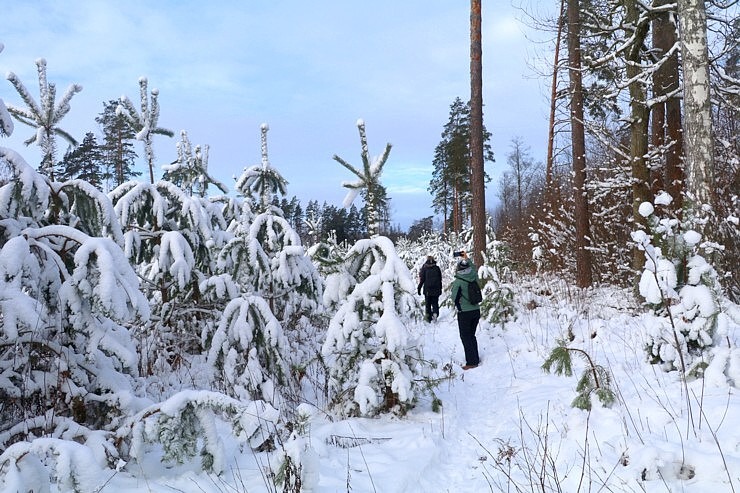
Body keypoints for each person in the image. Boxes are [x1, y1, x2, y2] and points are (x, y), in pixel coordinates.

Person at [451, 252, 481, 370]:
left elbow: (454, 297)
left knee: (465, 336)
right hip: (476, 310)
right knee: (471, 335)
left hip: (465, 313)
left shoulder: (458, 281)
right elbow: (473, 268)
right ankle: (475, 358)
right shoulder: (473, 276)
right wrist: (467, 259)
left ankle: (472, 362)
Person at [417, 255, 442, 322]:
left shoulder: (424, 268)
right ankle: (435, 313)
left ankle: (428, 318)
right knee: (435, 303)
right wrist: (440, 289)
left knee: (428, 304)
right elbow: (440, 279)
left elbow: (422, 280)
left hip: (427, 290)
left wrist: (419, 288)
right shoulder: (437, 268)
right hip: (436, 289)